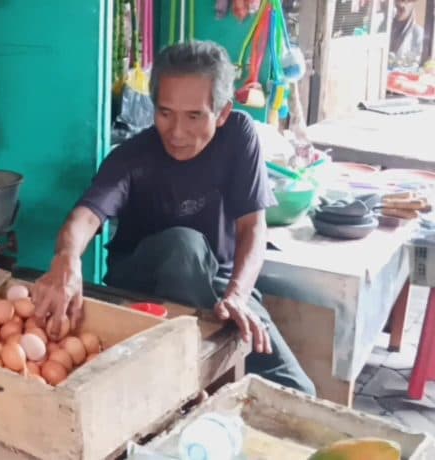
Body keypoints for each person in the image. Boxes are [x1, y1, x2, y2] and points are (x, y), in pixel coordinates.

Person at [31, 40, 316, 396]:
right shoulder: (133, 156)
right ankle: (197, 375)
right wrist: (67, 258)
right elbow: (86, 217)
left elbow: (253, 226)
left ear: (222, 113)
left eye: (194, 116)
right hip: (140, 287)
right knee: (184, 245)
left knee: (297, 390)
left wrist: (239, 295)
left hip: (220, 290)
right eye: (165, 113)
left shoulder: (239, 136)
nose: (177, 132)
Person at [389, 0, 425, 67]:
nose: (401, 4)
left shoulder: (418, 34)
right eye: (397, 0)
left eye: (405, 1)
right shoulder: (381, 29)